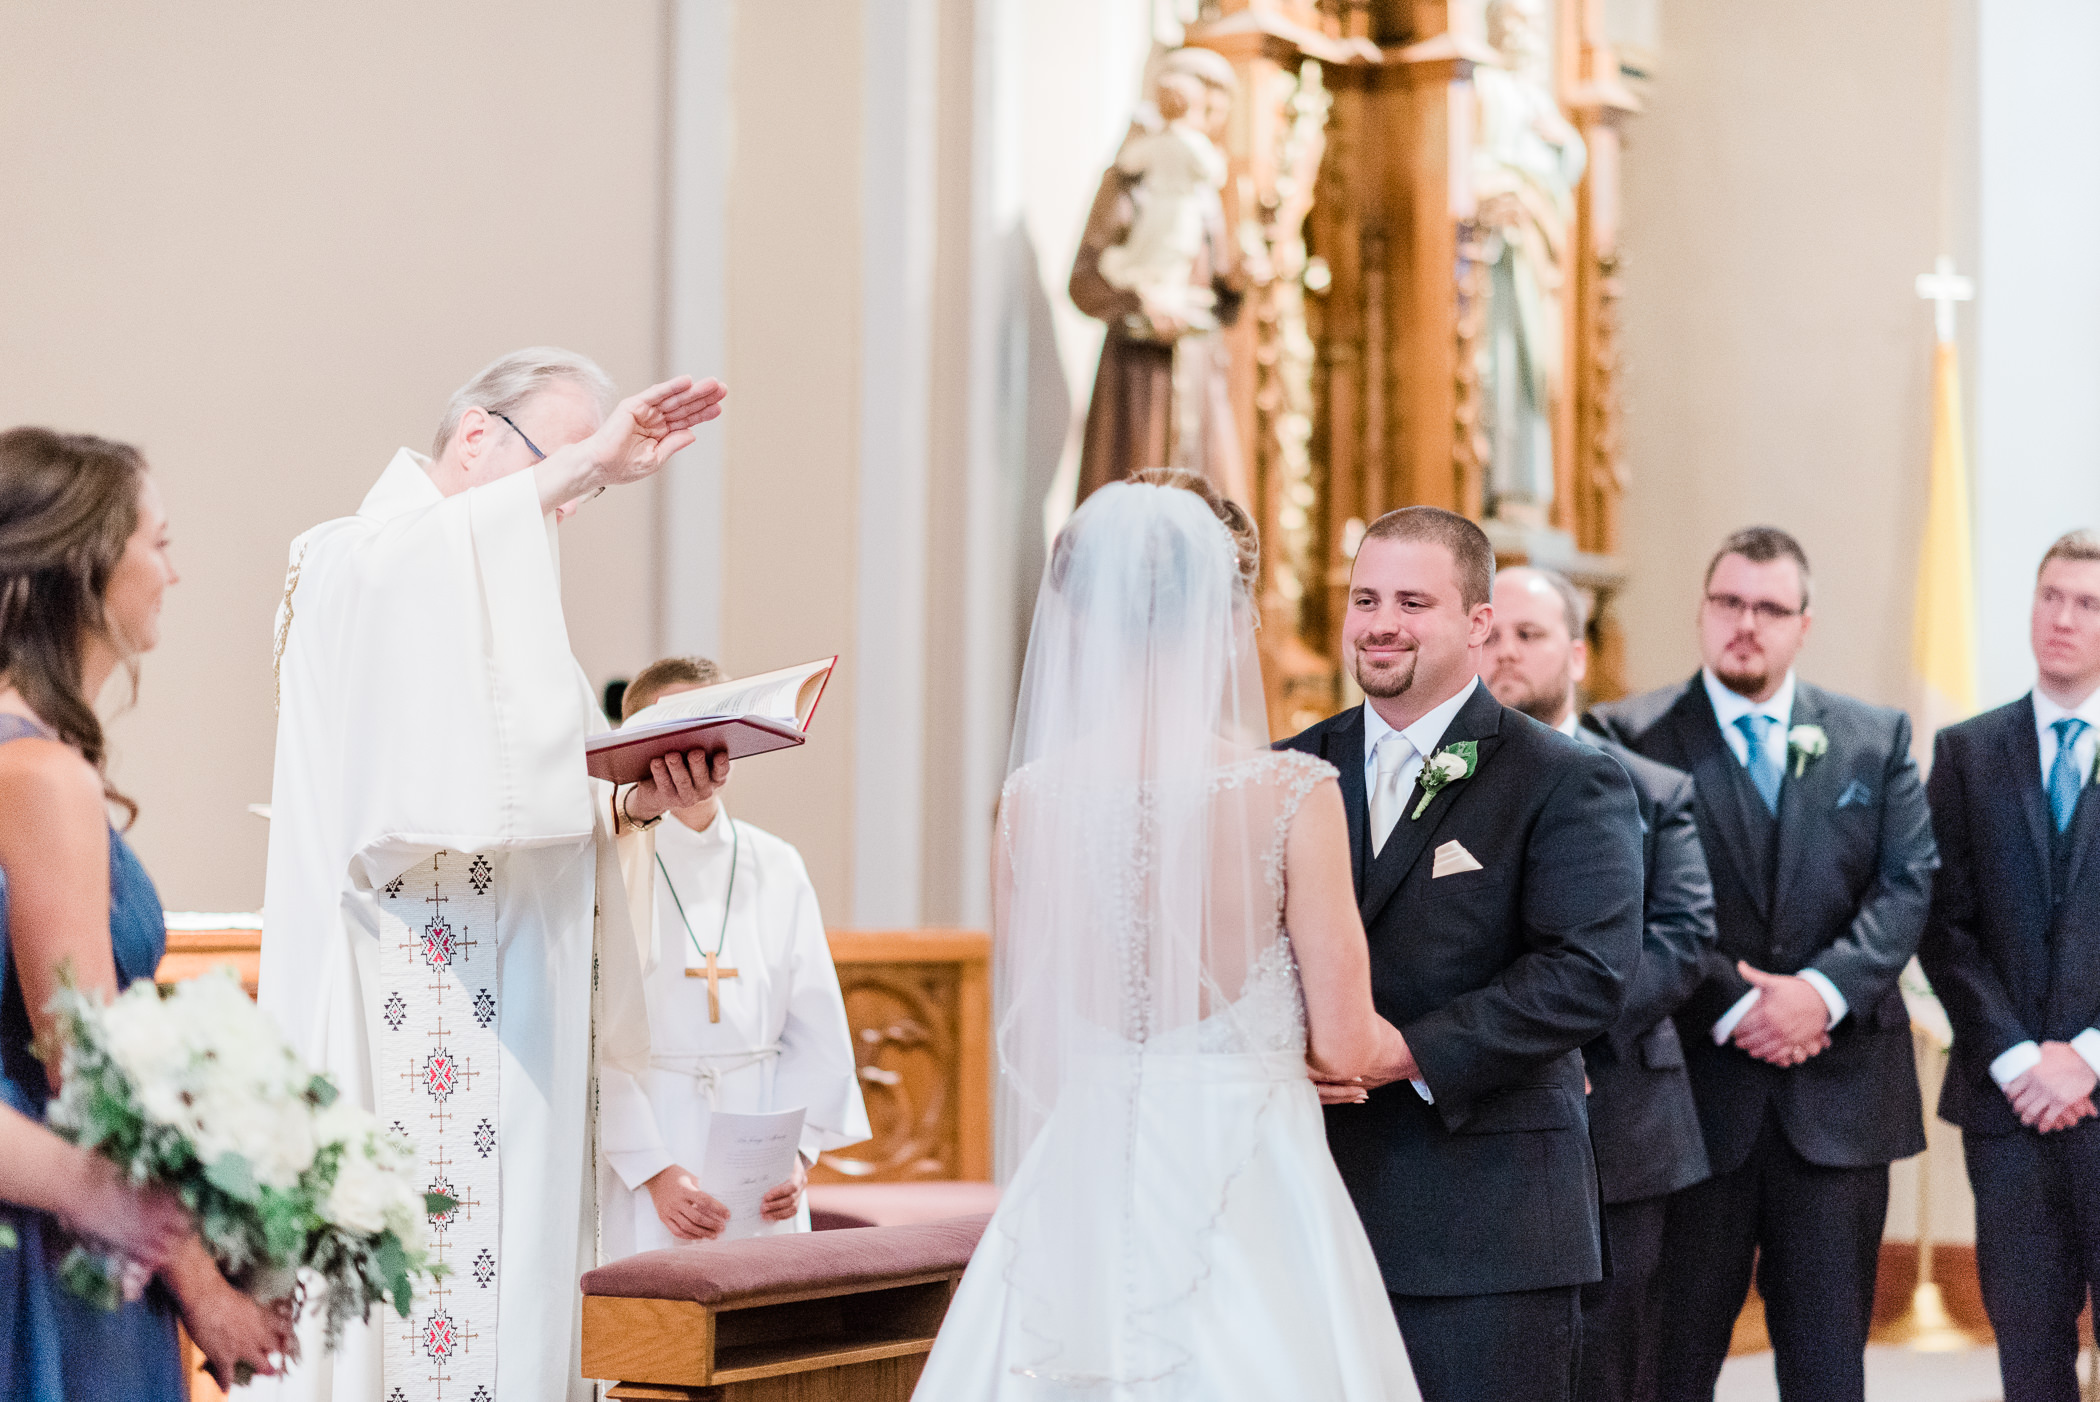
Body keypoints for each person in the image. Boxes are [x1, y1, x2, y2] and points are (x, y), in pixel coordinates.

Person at [258, 350, 727, 1402]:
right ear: (475, 436)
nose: (564, 509)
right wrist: (579, 467)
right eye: (564, 471)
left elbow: (523, 804)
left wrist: (630, 800)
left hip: (520, 1024)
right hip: (414, 1005)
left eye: (585, 491)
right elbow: (411, 799)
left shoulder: (493, 598)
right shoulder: (350, 558)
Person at [914, 469, 1419, 1400]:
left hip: (1087, 1157)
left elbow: (1032, 1025)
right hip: (1249, 1164)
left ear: (1079, 622)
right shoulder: (1293, 794)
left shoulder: (1029, 802)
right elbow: (1347, 1041)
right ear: (1227, 617)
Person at [1276, 508, 1644, 1402]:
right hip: (1308, 1206)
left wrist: (1392, 1051)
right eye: (1365, 599)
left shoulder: (1560, 776)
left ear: (1477, 623)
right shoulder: (1289, 770)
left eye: (1412, 601)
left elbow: (1583, 975)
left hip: (1488, 1224)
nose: (1381, 623)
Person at [1591, 526, 1935, 1402]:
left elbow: (1906, 885)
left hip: (1840, 1098)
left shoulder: (1873, 738)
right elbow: (1626, 901)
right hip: (1694, 1106)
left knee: (1827, 1369)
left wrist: (1821, 995)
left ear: (1803, 626)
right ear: (1704, 612)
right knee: (1670, 1365)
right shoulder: (1628, 737)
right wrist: (1735, 1006)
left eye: (1770, 608)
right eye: (1729, 604)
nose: (1747, 624)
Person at [0, 427, 290, 1395]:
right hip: (55, 1233)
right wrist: (205, 1285)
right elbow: (80, 1061)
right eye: (158, 542)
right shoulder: (38, 774)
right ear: (83, 567)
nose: (176, 571)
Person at [1483, 566, 1716, 1402]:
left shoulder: (1651, 791)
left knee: (1613, 1361)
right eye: (1492, 633)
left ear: (1578, 654)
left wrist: (1561, 1035)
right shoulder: (1436, 783)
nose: (1506, 651)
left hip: (1620, 1118)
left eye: (1530, 633)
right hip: (1473, 1119)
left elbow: (1683, 937)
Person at [601, 656, 869, 1258]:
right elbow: (592, 1032)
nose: (695, 753)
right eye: (674, 732)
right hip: (646, 1158)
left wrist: (797, 1157)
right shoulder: (607, 867)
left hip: (762, 1160)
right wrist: (654, 1171)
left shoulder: (777, 864)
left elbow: (815, 1028)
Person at [1918, 529, 2100, 1402]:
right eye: (2051, 597)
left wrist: (2088, 1054)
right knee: (2029, 1354)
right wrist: (2022, 1059)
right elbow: (1944, 926)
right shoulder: (1966, 752)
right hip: (2009, 1103)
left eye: (2088, 604)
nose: (2063, 619)